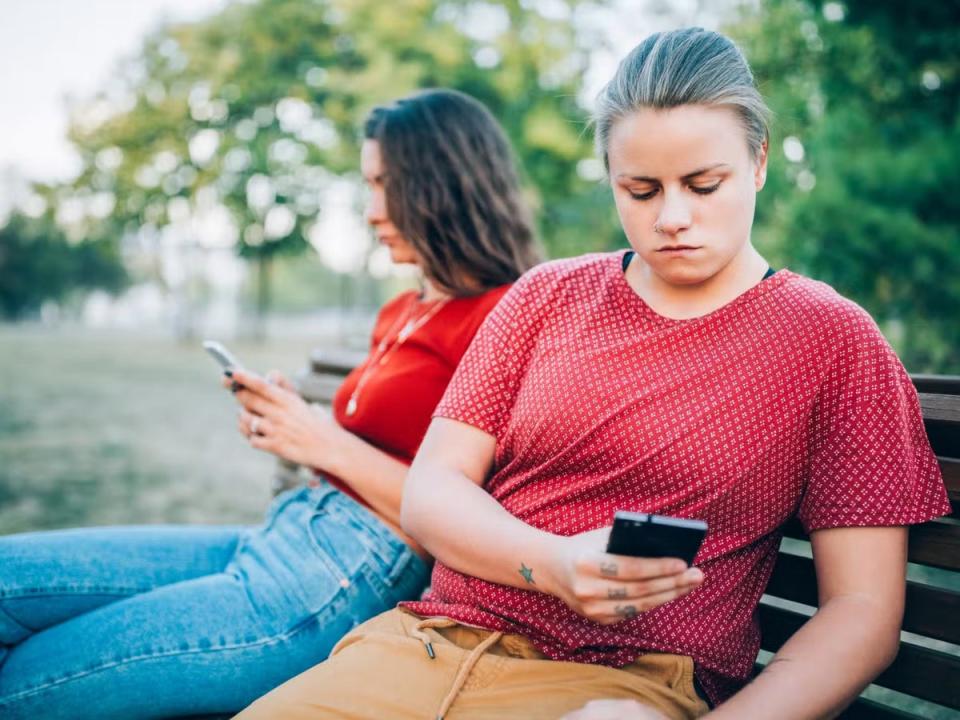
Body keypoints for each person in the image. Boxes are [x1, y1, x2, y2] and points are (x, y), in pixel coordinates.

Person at [236, 28, 950, 720]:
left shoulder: (831, 340)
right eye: (640, 190)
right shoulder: (547, 296)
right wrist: (551, 565)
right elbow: (432, 489)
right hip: (420, 649)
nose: (673, 216)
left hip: (622, 688)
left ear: (759, 162)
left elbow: (862, 611)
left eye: (705, 184)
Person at [0, 88, 541, 720]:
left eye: (385, 184)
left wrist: (320, 440)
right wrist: (292, 423)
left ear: (444, 185)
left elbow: (485, 519)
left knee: (30, 680)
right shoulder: (404, 309)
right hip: (289, 527)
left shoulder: (509, 317)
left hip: (346, 572)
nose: (370, 210)